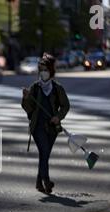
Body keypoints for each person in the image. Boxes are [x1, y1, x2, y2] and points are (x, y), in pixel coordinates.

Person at [21, 53, 70, 194]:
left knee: (45, 154)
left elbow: (66, 106)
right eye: (41, 70)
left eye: (46, 70)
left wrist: (58, 117)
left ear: (51, 71)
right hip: (37, 126)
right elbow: (28, 108)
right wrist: (25, 98)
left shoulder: (57, 88)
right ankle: (47, 181)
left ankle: (39, 183)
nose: (43, 73)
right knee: (44, 151)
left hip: (52, 128)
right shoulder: (35, 88)